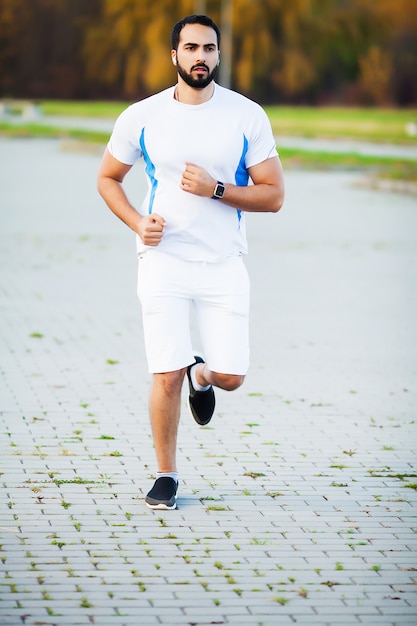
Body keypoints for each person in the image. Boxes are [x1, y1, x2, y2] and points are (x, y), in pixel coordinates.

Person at [97, 14, 285, 510]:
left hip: (224, 264)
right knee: (165, 372)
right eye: (191, 47)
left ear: (218, 56)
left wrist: (216, 189)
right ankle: (166, 475)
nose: (201, 56)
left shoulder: (247, 116)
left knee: (231, 376)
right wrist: (138, 223)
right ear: (174, 56)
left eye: (209, 48)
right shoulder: (142, 115)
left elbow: (274, 196)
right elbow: (108, 178)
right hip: (162, 261)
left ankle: (203, 375)